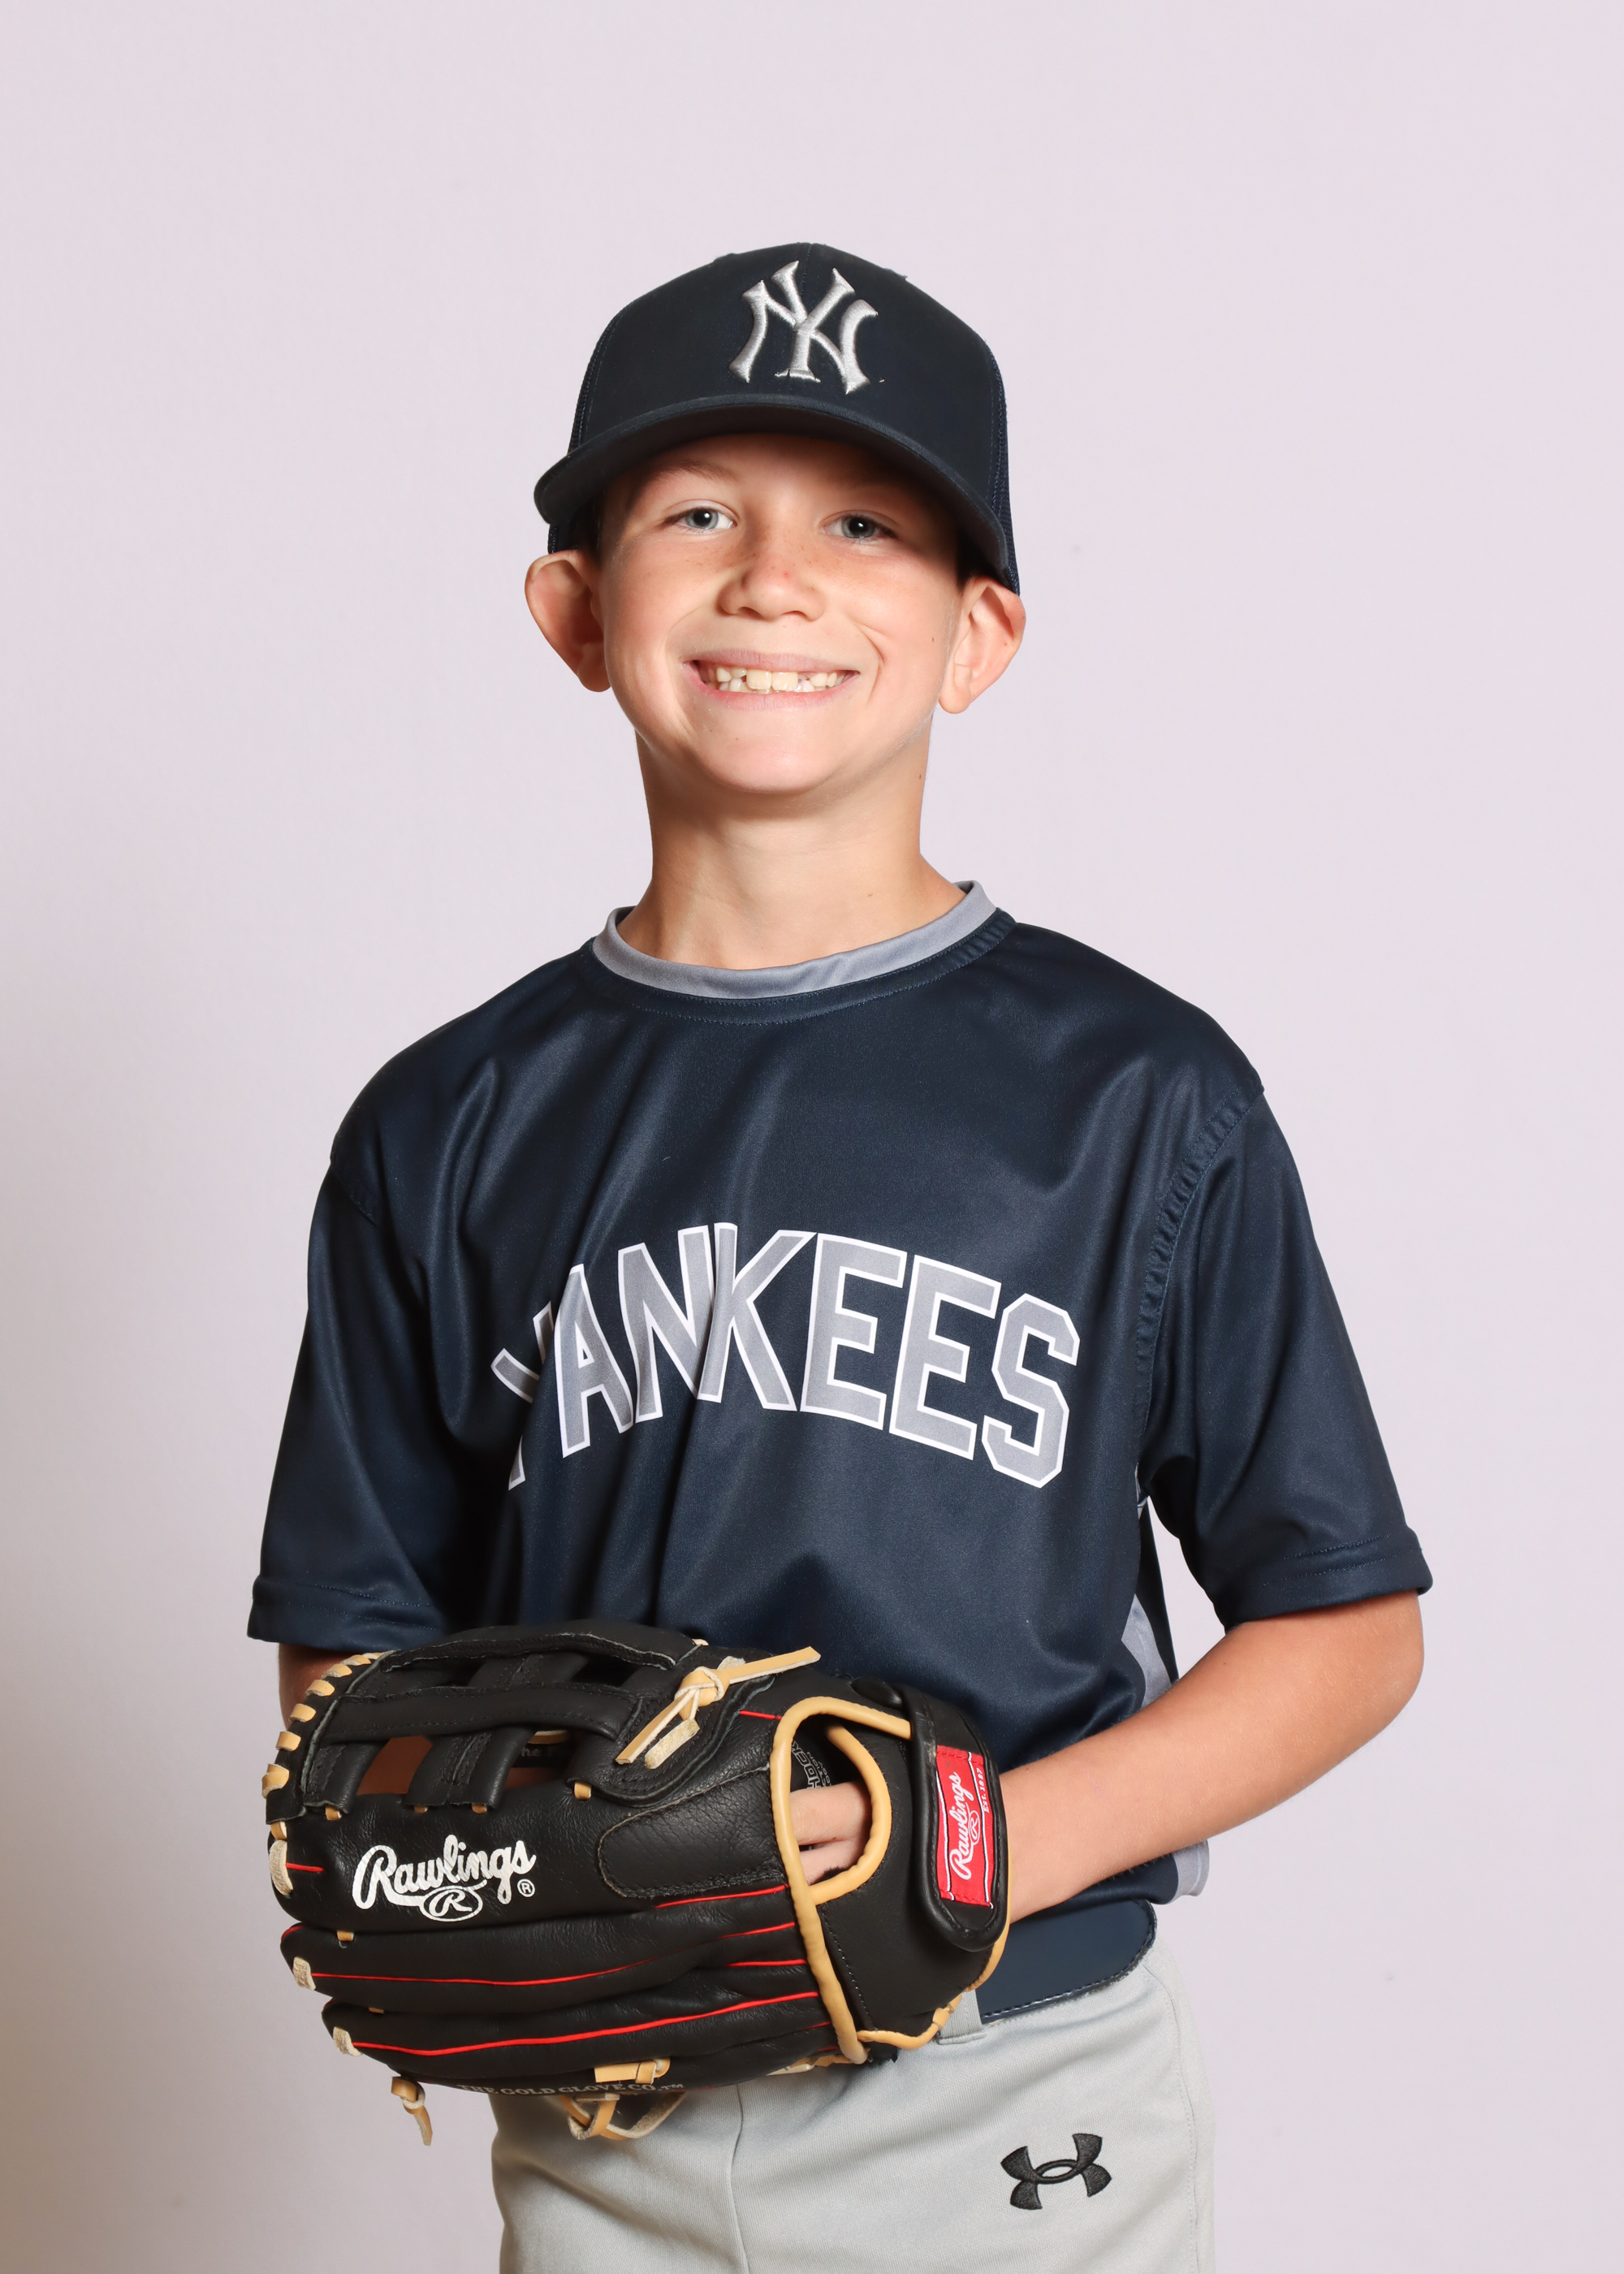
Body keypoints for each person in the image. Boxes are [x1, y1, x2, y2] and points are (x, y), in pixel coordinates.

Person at [252, 243, 1431, 2271]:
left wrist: (962, 1841)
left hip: (1011, 2065)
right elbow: (353, 1650)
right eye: (698, 514)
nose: (776, 581)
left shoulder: (1135, 1090)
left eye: (865, 524)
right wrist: (483, 1874)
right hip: (611, 2088)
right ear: (575, 609)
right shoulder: (445, 1121)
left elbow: (1348, 1625)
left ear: (979, 634)